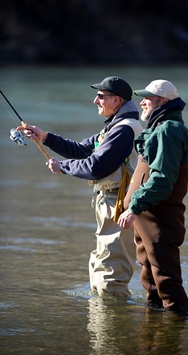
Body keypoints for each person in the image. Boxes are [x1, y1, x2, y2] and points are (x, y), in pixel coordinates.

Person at [17, 76, 143, 298]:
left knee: (109, 279)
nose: (95, 100)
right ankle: (103, 328)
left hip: (118, 205)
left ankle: (114, 328)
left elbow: (96, 167)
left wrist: (62, 167)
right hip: (110, 204)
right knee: (99, 270)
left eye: (101, 96)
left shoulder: (124, 129)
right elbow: (81, 150)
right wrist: (45, 137)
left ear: (116, 100)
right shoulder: (114, 126)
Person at [118, 79, 188, 314]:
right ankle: (153, 334)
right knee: (150, 280)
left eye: (148, 97)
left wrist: (134, 207)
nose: (143, 101)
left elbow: (161, 180)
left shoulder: (169, 130)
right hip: (148, 218)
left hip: (159, 218)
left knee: (166, 281)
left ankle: (175, 331)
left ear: (164, 101)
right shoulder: (159, 128)